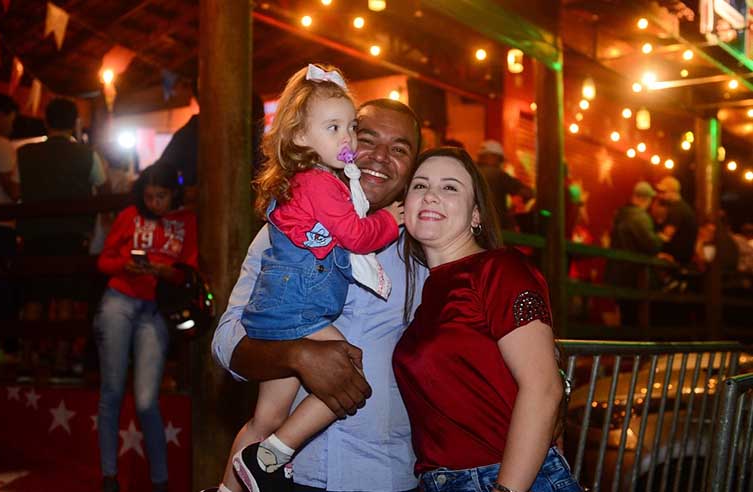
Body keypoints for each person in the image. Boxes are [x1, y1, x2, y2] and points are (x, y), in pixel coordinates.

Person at [211, 97, 422, 492]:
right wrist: (298, 356)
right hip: (295, 475)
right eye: (366, 138)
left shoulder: (425, 251)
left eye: (399, 149)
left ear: (412, 168)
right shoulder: (286, 229)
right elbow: (226, 343)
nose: (380, 157)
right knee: (265, 420)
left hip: (382, 474)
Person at [393, 147, 580, 492]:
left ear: (476, 215)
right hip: (441, 482)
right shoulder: (428, 293)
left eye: (450, 187)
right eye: (420, 185)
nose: (431, 195)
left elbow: (543, 387)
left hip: (505, 479)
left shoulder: (499, 269)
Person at [94, 162, 198, 492]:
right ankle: (109, 477)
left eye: (161, 196)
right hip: (119, 300)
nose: (154, 203)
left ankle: (160, 482)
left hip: (156, 310)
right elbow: (103, 261)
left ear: (174, 194)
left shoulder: (186, 221)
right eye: (149, 196)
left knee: (146, 400)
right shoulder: (129, 215)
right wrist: (125, 265)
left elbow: (189, 271)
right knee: (111, 391)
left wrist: (165, 272)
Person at [17, 97, 110, 321]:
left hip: (33, 233)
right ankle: (62, 345)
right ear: (75, 122)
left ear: (46, 121)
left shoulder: (24, 153)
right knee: (66, 297)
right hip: (73, 234)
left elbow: (14, 190)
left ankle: (29, 345)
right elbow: (104, 189)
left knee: (33, 298)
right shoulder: (87, 154)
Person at [605, 181, 663, 326]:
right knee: (635, 318)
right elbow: (651, 245)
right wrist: (661, 239)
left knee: (625, 315)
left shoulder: (621, 214)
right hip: (633, 275)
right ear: (646, 199)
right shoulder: (640, 217)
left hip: (618, 273)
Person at [0, 92, 19, 321]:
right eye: (11, 119)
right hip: (0, 225)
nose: (12, 125)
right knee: (3, 285)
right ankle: (6, 336)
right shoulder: (0, 145)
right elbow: (12, 189)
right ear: (1, 115)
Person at [475, 139, 533, 230]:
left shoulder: (469, 172)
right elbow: (527, 192)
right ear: (493, 157)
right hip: (495, 228)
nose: (501, 163)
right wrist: (513, 209)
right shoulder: (498, 175)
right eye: (500, 159)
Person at [653, 176, 697, 265]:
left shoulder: (677, 210)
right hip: (679, 258)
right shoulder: (680, 207)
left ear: (673, 192)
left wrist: (647, 239)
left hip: (676, 260)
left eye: (663, 192)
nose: (659, 195)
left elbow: (666, 236)